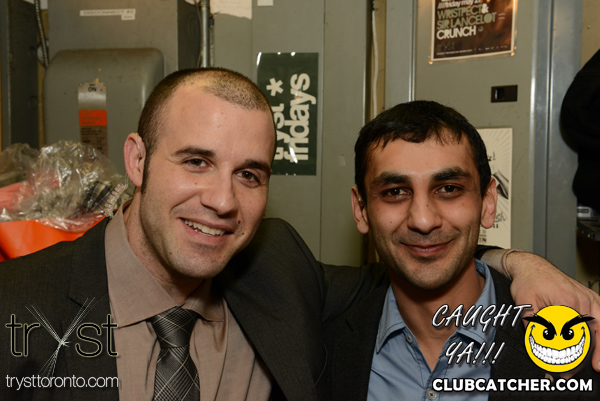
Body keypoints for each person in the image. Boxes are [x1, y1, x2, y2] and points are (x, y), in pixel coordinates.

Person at [0, 69, 598, 401]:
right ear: (137, 159)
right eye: (196, 161)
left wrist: (518, 262)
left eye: (249, 174)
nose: (222, 201)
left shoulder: (276, 269)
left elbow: (426, 259)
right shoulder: (17, 306)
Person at [324, 100, 599, 400]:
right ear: (361, 210)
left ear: (488, 202)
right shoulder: (322, 346)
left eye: (449, 188)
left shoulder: (573, 345)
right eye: (395, 192)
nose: (423, 220)